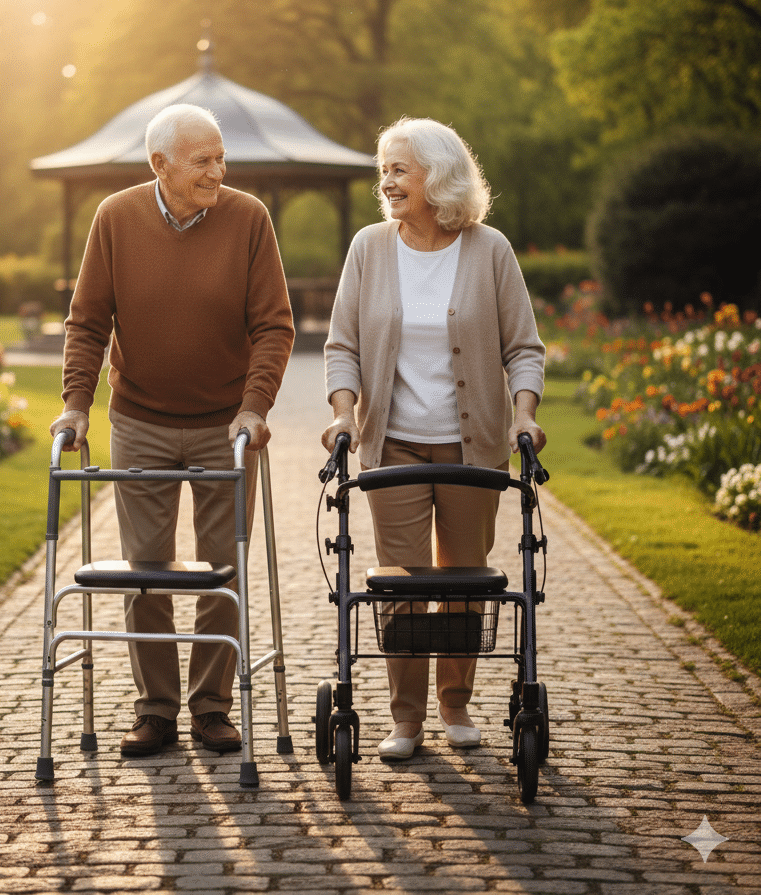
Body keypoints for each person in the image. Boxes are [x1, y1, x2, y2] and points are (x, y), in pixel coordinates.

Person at [50, 103, 294, 757]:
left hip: (227, 425)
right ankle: (154, 710)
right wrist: (76, 404)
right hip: (141, 420)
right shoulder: (115, 218)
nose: (219, 170)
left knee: (223, 570)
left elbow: (274, 324)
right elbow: (88, 320)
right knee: (146, 570)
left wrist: (255, 407)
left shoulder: (248, 219)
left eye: (221, 158)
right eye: (203, 160)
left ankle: (212, 706)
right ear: (159, 165)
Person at [322, 116, 546, 760]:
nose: (386, 182)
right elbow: (343, 347)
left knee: (465, 580)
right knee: (401, 582)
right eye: (383, 170)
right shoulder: (368, 248)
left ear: (438, 177)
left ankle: (455, 703)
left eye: (400, 170)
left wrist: (523, 415)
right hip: (391, 446)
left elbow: (522, 349)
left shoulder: (489, 250)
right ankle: (405, 719)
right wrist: (344, 414)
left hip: (471, 447)